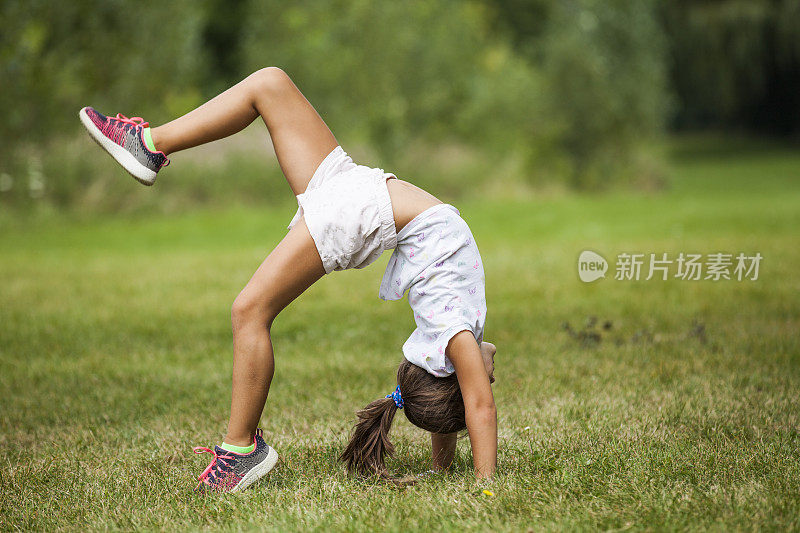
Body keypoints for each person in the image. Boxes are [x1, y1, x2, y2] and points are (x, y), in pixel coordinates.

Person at [78, 67, 497, 492]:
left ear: (454, 376)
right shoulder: (451, 342)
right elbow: (469, 401)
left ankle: (241, 450)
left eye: (480, 378)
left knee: (249, 311)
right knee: (269, 84)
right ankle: (148, 145)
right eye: (485, 378)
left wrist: (485, 483)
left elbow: (474, 403)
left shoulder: (454, 339)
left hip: (361, 209)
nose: (490, 378)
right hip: (359, 193)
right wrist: (457, 474)